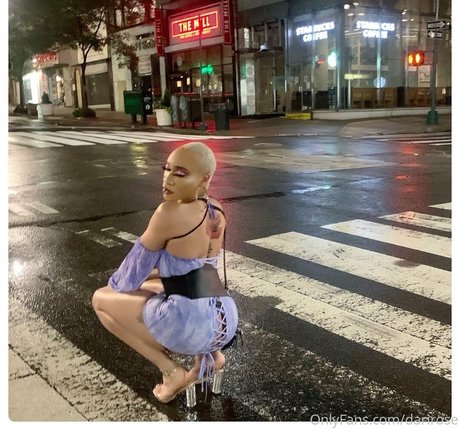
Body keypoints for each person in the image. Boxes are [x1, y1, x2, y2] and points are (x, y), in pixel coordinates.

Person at [92, 142, 238, 407]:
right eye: (167, 169)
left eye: (180, 173)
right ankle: (212, 358)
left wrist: (119, 286)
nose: (168, 179)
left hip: (191, 327)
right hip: (225, 319)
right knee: (160, 286)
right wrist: (151, 282)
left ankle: (171, 372)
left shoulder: (168, 213)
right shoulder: (217, 210)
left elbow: (129, 276)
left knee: (101, 300)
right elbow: (192, 271)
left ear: (204, 178)